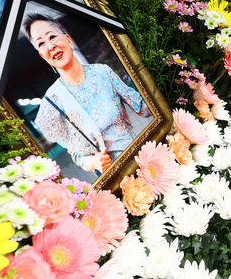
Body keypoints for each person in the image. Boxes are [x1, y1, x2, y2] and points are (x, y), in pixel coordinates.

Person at [23, 13, 152, 174]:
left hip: (143, 159)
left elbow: (143, 106)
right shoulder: (54, 101)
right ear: (42, 55)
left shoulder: (102, 72)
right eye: (41, 43)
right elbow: (76, 153)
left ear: (68, 40)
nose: (50, 46)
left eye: (52, 37)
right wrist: (93, 162)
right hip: (114, 177)